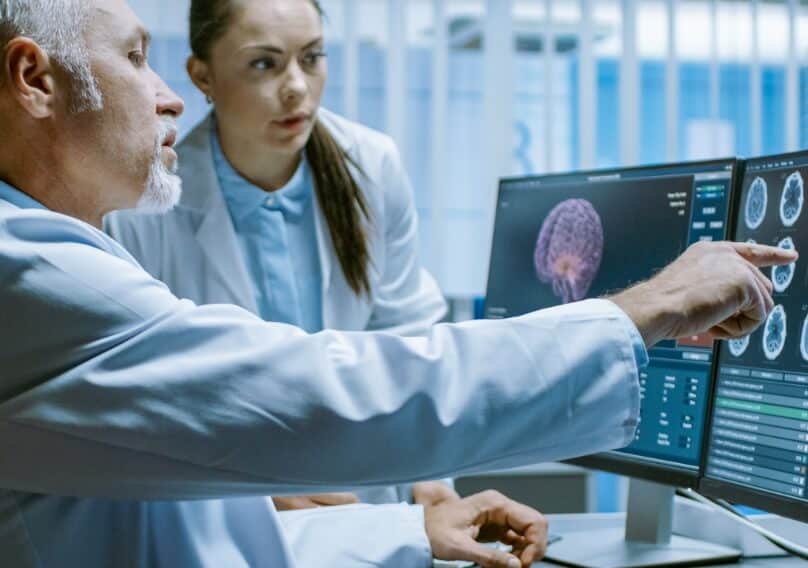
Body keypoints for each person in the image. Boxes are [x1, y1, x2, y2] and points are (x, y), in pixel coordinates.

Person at [0, 1, 793, 567]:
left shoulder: (365, 164)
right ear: (33, 78)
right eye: (137, 59)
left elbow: (192, 530)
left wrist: (418, 528)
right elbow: (311, 393)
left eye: (313, 57)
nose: (165, 93)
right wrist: (642, 309)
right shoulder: (35, 273)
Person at [106, 0, 456, 511]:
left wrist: (432, 479)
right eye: (264, 64)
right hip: (223, 505)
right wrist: (252, 492)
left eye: (312, 58)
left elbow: (410, 343)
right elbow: (140, 397)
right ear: (203, 76)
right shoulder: (145, 203)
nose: (296, 86)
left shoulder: (373, 167)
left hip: (370, 497)